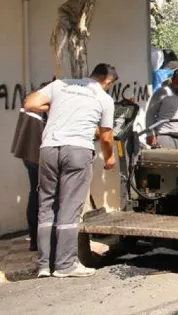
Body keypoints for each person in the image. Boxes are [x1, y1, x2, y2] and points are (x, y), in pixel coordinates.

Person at [23, 63, 118, 278]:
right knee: (70, 206)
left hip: (48, 149)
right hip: (77, 150)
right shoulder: (103, 98)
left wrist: (53, 108)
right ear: (107, 81)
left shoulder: (60, 86)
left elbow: (30, 103)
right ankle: (66, 265)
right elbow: (106, 136)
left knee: (46, 205)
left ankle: (45, 265)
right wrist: (110, 157)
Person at [9, 106, 46, 251]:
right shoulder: (46, 100)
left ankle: (35, 240)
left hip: (28, 152)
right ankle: (41, 240)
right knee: (45, 196)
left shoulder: (33, 98)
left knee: (35, 193)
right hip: (41, 154)